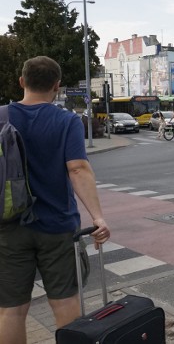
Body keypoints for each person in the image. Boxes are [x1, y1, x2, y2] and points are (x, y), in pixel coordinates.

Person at [0, 56, 110, 343]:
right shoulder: (66, 121)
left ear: (22, 82)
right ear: (57, 86)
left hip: (9, 227)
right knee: (64, 304)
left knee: (11, 311)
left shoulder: (1, 117)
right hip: (58, 226)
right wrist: (98, 218)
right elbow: (77, 168)